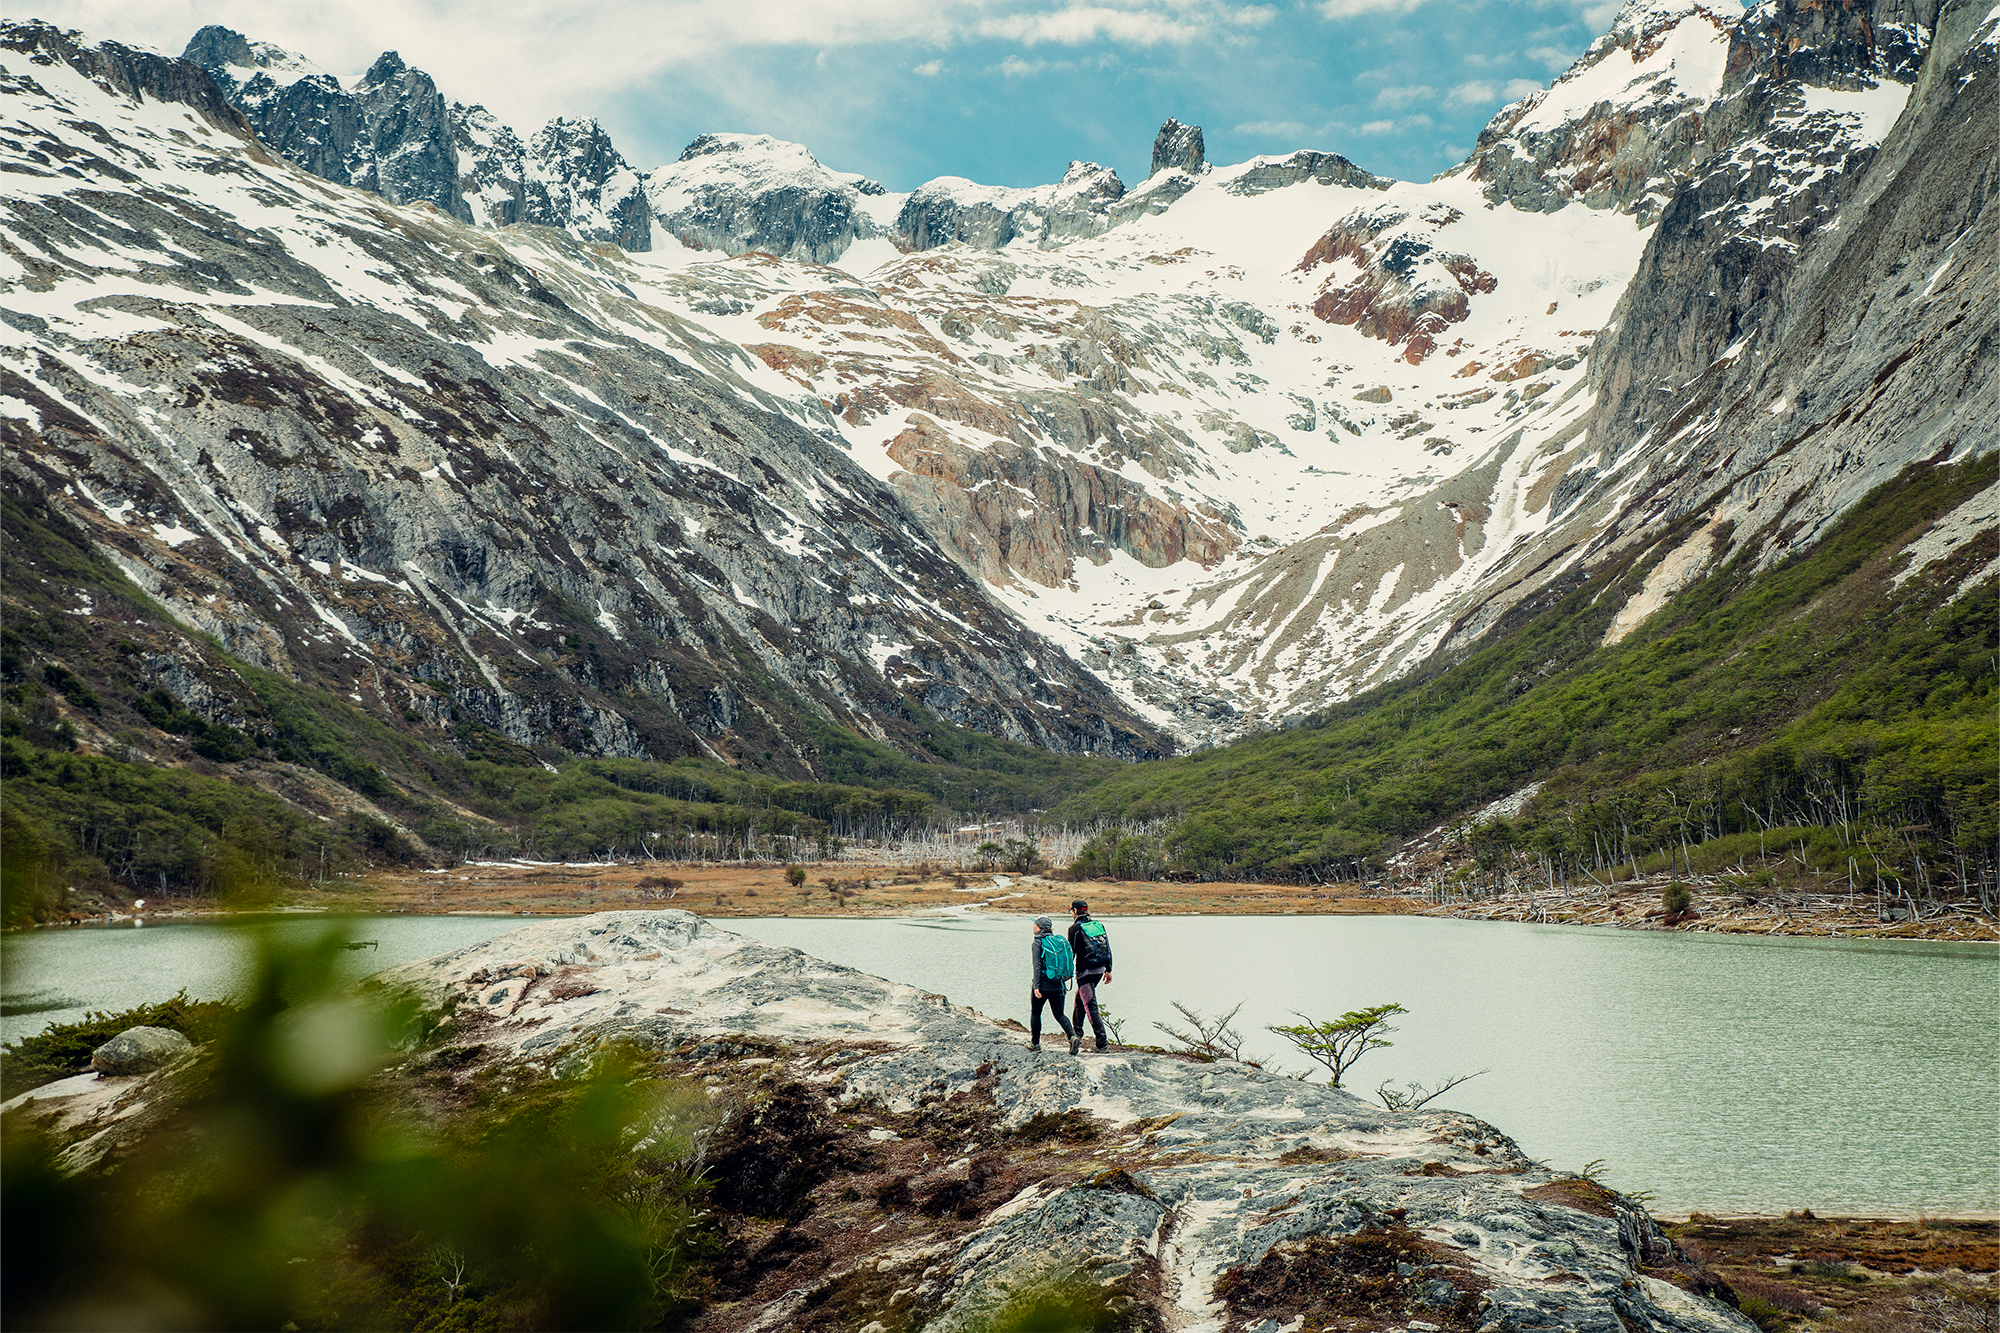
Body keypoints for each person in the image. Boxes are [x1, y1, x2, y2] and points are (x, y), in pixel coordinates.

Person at [1067, 899, 1114, 1050]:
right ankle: (1077, 1035)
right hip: (1099, 970)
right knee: (1080, 999)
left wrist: (1064, 975)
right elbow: (1108, 949)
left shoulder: (1074, 929)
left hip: (1085, 972)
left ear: (1075, 911)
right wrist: (1108, 970)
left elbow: (1071, 954)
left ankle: (1102, 1044)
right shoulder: (1098, 925)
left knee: (1090, 1005)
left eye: (1071, 911)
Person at [1029, 915, 1079, 1054]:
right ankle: (1072, 1036)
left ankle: (1035, 1044)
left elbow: (1037, 966)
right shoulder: (1058, 942)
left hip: (1043, 985)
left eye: (1035, 924)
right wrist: (1062, 984)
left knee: (1036, 1013)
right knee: (1059, 1014)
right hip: (1058, 985)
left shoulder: (1038, 943)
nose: (1033, 926)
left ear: (1039, 927)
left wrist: (1036, 987)